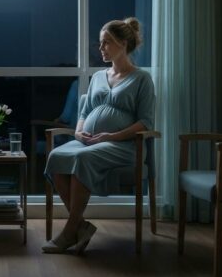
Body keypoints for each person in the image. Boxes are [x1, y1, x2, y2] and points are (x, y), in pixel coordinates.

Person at [42, 17, 155, 254]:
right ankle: (81, 227)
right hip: (88, 142)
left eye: (107, 43)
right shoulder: (98, 77)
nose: (101, 48)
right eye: (101, 43)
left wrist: (112, 137)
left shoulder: (141, 79)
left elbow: (145, 121)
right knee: (55, 157)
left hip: (124, 146)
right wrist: (79, 131)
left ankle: (68, 232)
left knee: (82, 160)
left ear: (123, 44)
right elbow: (84, 112)